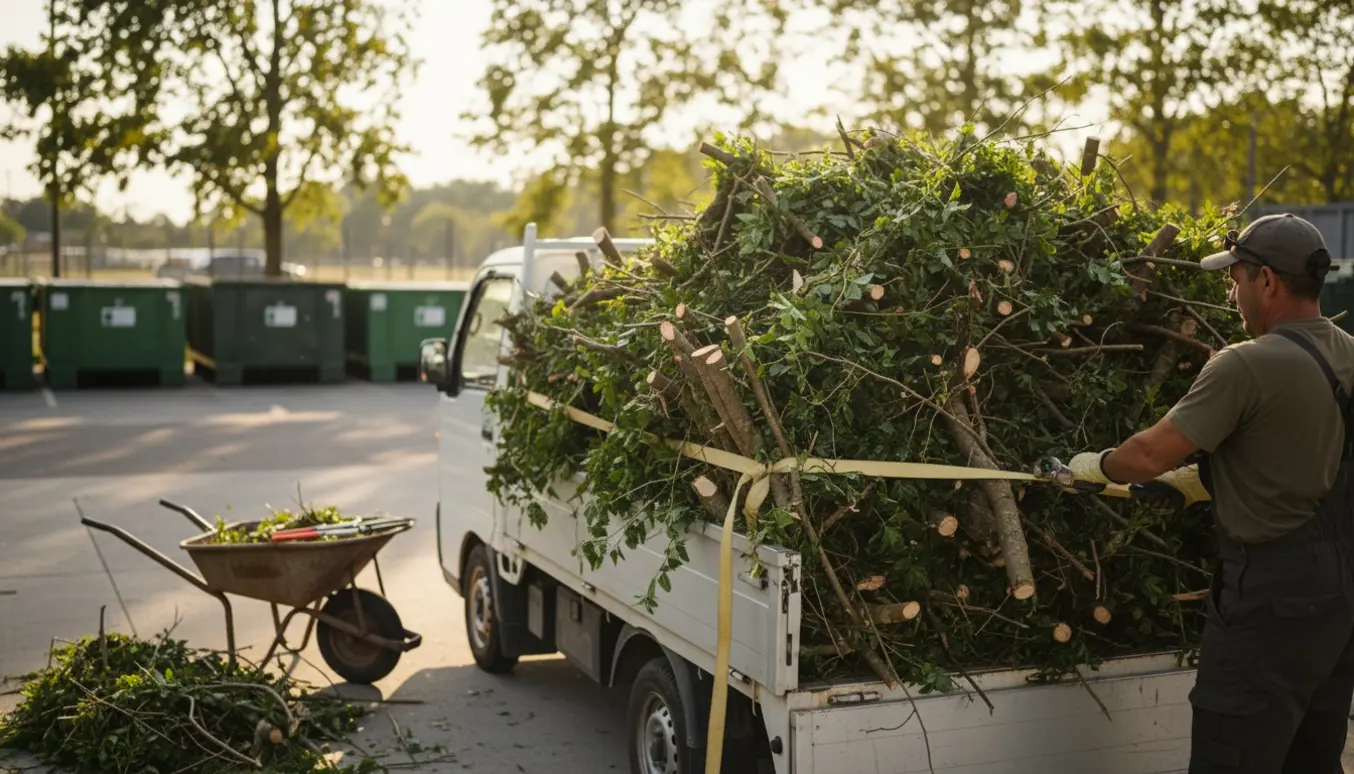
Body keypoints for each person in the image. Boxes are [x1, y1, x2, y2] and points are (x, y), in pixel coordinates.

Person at [1066, 212, 1354, 773]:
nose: (1233, 292)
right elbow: (1305, 456)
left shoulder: (1247, 364)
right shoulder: (1350, 354)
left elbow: (1148, 455)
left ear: (1266, 280)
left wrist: (1096, 466)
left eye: (1237, 277)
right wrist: (1198, 484)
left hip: (1269, 605)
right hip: (1338, 605)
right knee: (1312, 760)